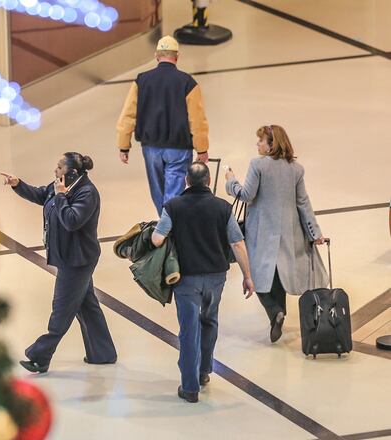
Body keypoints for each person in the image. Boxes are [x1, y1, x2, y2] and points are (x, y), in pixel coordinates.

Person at [0, 153, 117, 373]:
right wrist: (18, 184)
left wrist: (61, 197)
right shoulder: (61, 185)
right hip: (68, 256)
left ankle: (40, 356)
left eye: (59, 167)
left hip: (78, 260)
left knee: (61, 310)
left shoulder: (87, 193)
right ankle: (103, 353)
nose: (55, 170)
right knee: (86, 304)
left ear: (72, 172)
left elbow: (72, 221)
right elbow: (42, 195)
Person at [151, 162, 254, 403]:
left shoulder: (173, 206)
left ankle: (189, 388)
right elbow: (237, 243)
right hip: (216, 278)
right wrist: (247, 276)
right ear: (208, 182)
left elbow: (157, 239)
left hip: (186, 280)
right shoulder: (222, 207)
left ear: (186, 181)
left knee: (189, 330)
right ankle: (204, 370)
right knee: (210, 321)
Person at [226, 125, 328, 343]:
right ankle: (278, 317)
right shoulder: (296, 169)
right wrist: (314, 233)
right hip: (289, 233)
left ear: (271, 144)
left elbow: (246, 195)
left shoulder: (258, 165)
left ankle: (274, 312)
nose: (257, 145)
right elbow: (303, 204)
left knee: (253, 273)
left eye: (261, 141)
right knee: (279, 275)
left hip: (261, 232)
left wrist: (230, 181)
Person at [115, 35, 210, 215]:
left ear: (157, 56)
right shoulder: (187, 83)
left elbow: (128, 115)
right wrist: (202, 148)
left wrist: (123, 145)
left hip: (151, 148)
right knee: (173, 193)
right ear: (177, 57)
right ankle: (170, 231)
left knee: (158, 192)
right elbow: (197, 120)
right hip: (178, 148)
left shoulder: (141, 81)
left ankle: (165, 228)